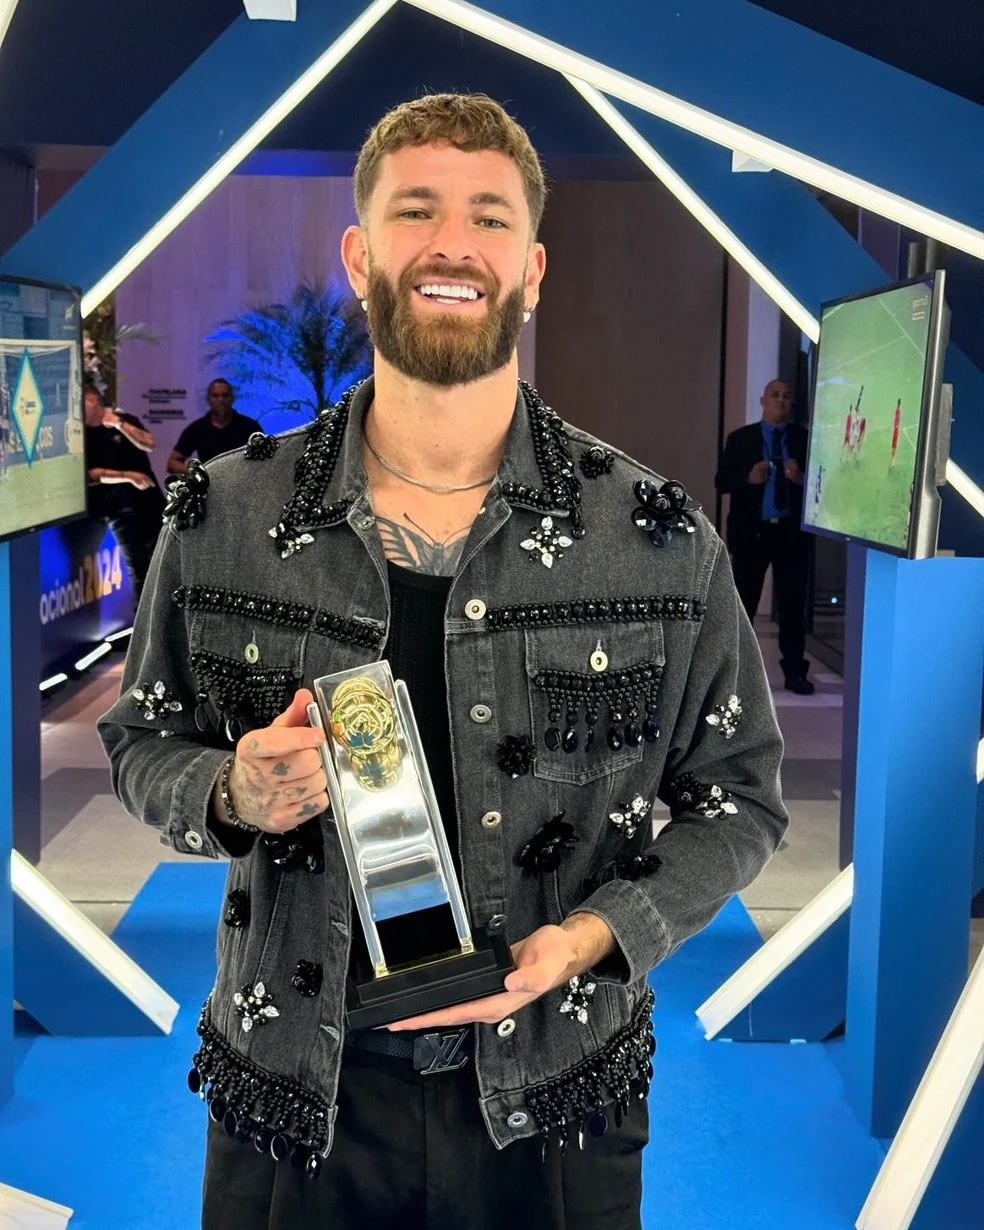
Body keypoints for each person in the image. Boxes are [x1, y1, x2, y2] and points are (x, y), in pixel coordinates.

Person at [98, 93, 788, 1230]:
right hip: (294, 1089)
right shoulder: (224, 515)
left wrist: (597, 935)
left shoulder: (657, 539)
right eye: (416, 211)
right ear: (360, 256)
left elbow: (739, 801)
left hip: (557, 1090)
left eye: (490, 218)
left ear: (532, 269)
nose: (452, 244)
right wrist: (229, 791)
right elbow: (142, 739)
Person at [715, 379, 814, 694]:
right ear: (763, 400)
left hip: (791, 535)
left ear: (791, 403)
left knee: (792, 607)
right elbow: (721, 481)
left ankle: (795, 673)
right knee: (743, 605)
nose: (780, 400)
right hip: (752, 535)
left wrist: (800, 479)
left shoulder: (804, 440)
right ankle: (735, 675)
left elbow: (822, 487)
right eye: (775, 395)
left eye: (786, 396)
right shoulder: (741, 439)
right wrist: (748, 477)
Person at [83, 385, 165, 597]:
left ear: (92, 401)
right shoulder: (81, 435)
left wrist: (120, 425)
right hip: (116, 510)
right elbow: (92, 474)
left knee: (163, 564)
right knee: (138, 570)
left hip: (149, 503)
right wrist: (128, 476)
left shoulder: (125, 420)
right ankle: (142, 615)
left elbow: (149, 444)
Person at [167, 378, 262, 473]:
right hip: (209, 480)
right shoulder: (197, 429)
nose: (221, 400)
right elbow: (172, 462)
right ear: (208, 399)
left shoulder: (250, 427)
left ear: (232, 398)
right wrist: (199, 473)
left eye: (225, 395)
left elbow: (266, 459)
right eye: (215, 396)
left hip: (241, 479)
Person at [890, 398, 901, 469]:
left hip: (895, 432)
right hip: (895, 431)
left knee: (893, 446)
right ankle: (893, 459)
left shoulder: (897, 411)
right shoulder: (898, 411)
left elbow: (896, 419)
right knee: (893, 447)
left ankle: (893, 460)